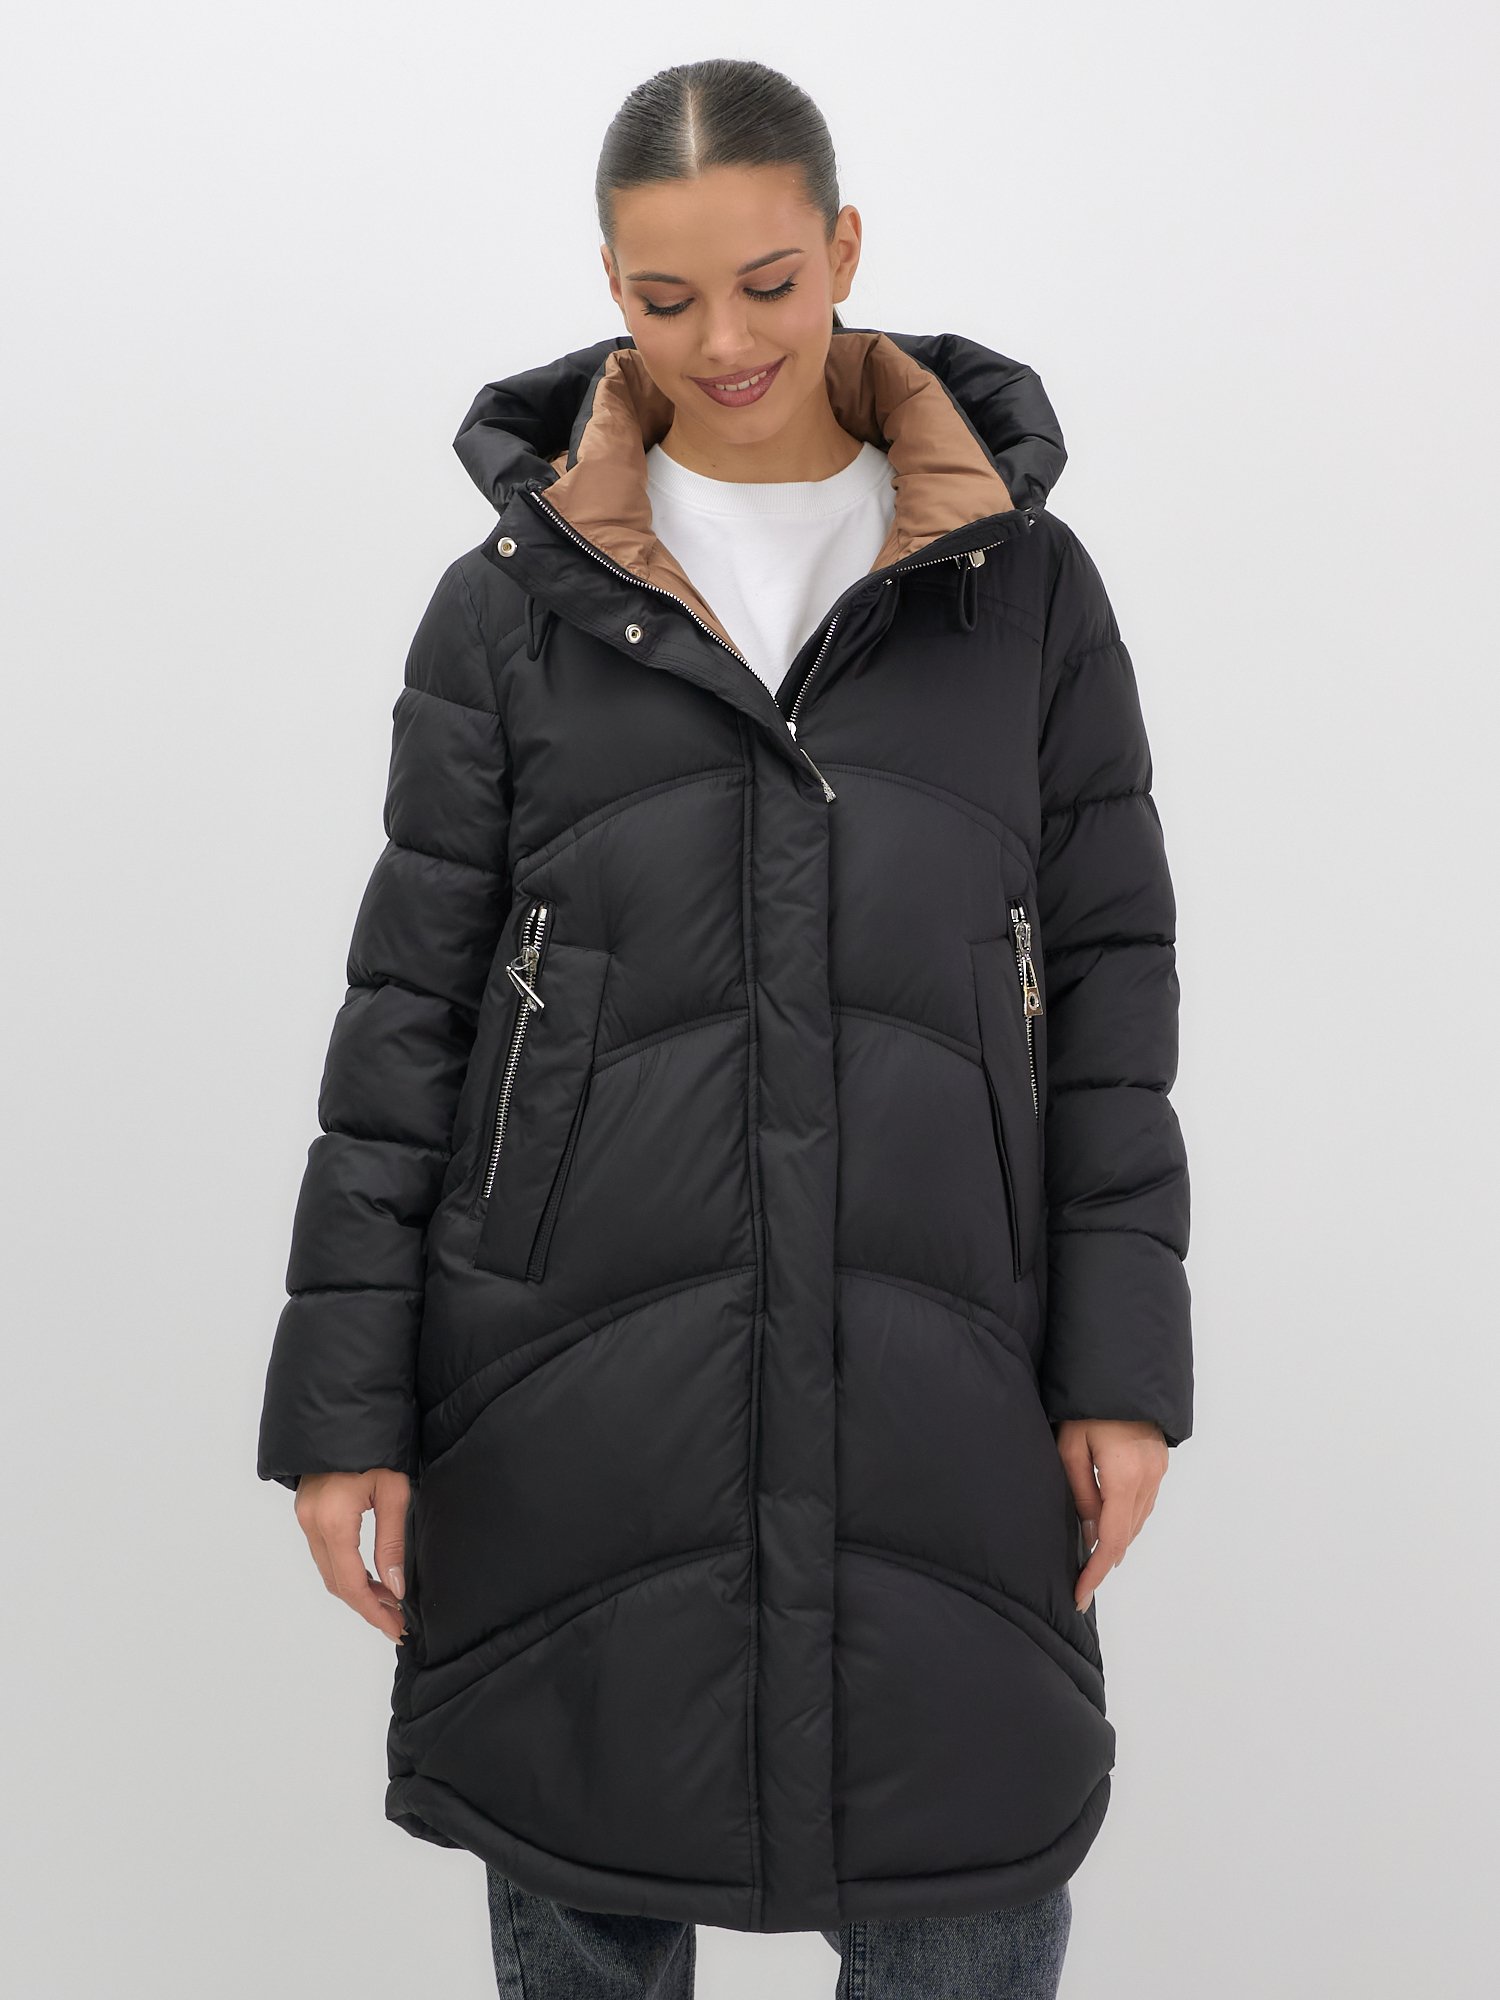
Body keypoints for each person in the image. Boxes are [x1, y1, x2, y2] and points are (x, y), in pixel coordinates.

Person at [258, 56, 1192, 2000]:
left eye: (768, 282)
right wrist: (344, 1412)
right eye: (665, 297)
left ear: (843, 245)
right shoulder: (507, 610)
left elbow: (1110, 988)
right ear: (610, 285)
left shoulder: (1023, 593)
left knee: (967, 1897)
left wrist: (1122, 1362)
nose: (725, 341)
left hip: (948, 1363)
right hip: (570, 1380)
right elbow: (410, 1011)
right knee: (586, 1878)